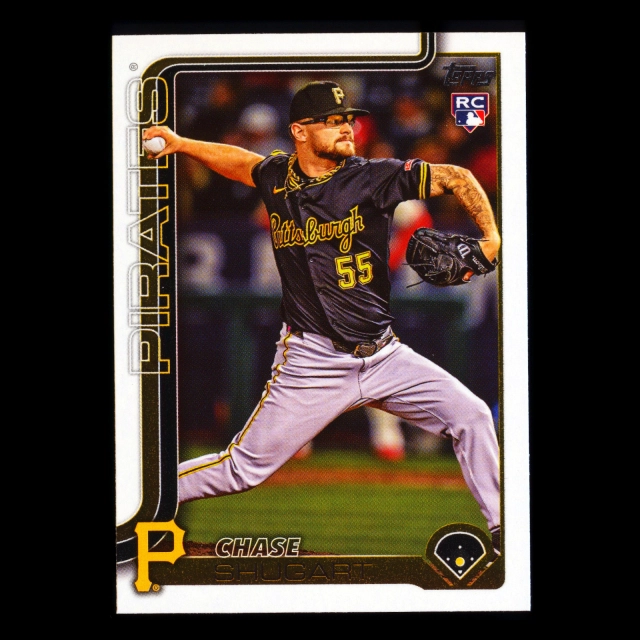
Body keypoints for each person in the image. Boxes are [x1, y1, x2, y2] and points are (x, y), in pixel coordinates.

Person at [143, 80, 502, 554]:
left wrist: (491, 237)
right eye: (332, 121)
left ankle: (504, 531)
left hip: (385, 356)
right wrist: (182, 143)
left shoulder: (373, 177)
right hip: (313, 361)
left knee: (472, 416)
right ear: (300, 131)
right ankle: (140, 499)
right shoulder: (278, 177)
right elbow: (241, 162)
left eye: (347, 119)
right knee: (241, 469)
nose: (346, 127)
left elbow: (455, 175)